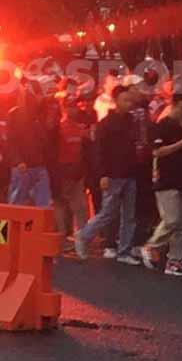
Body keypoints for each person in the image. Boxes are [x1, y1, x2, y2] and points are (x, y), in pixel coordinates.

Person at [75, 86, 141, 265]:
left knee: (129, 215)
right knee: (108, 212)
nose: (129, 104)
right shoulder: (105, 123)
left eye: (130, 100)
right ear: (117, 101)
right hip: (112, 174)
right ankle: (83, 235)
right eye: (125, 100)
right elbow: (99, 151)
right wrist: (102, 174)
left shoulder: (132, 121)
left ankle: (124, 251)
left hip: (130, 173)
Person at [141, 94, 182, 276]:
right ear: (173, 106)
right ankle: (151, 245)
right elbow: (158, 152)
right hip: (166, 179)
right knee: (172, 219)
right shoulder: (162, 126)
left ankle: (174, 261)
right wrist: (181, 143)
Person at [53, 88, 94, 246]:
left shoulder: (80, 127)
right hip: (63, 172)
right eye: (69, 106)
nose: (73, 109)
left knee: (81, 207)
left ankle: (82, 239)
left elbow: (87, 147)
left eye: (74, 106)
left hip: (78, 172)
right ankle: (61, 238)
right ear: (62, 107)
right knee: (60, 204)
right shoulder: (58, 127)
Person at [6, 79, 53, 207]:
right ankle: (13, 226)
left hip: (39, 166)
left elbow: (46, 141)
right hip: (22, 167)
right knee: (17, 205)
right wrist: (18, 161)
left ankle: (41, 227)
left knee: (44, 205)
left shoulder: (41, 115)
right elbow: (11, 141)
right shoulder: (15, 114)